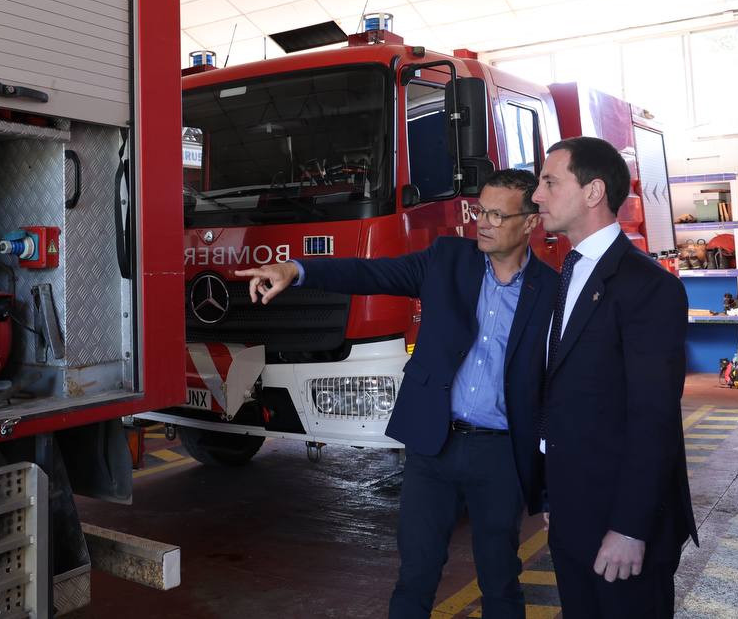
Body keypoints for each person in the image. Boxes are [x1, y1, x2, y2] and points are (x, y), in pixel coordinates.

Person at [236, 169, 556, 619]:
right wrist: (297, 269)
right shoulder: (447, 259)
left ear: (529, 223)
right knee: (417, 574)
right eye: (480, 210)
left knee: (500, 578)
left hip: (501, 455)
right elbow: (371, 271)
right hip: (434, 445)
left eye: (497, 215)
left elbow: (557, 387)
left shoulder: (551, 291)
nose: (482, 222)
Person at [531, 137, 697, 618]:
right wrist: (551, 492)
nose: (537, 195)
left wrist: (630, 527)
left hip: (623, 528)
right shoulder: (570, 270)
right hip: (572, 512)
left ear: (592, 191)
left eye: (549, 182)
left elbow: (654, 417)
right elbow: (563, 390)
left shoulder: (649, 286)